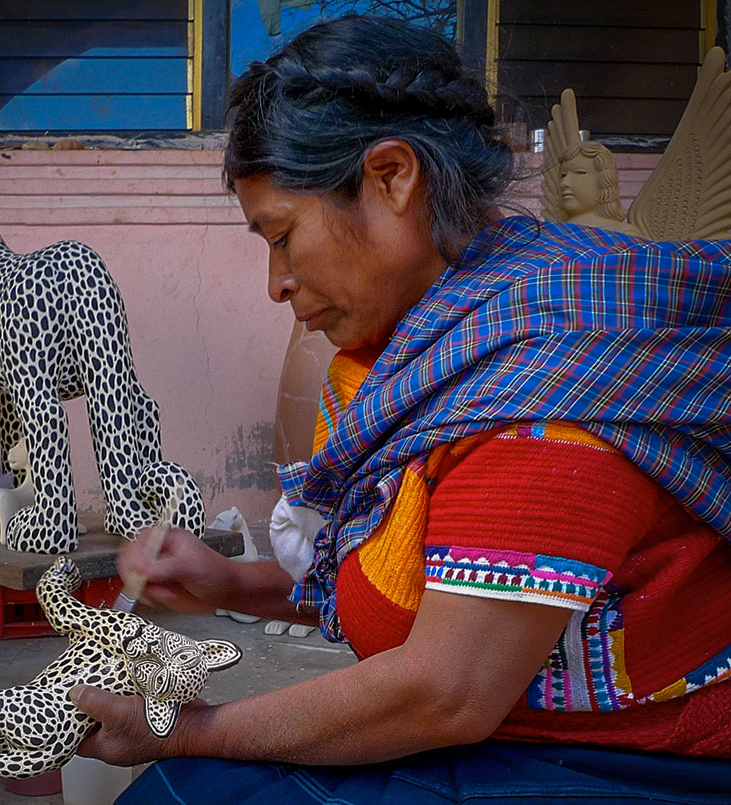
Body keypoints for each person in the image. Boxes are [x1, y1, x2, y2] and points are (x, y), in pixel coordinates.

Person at [67, 16, 731, 803]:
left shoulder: (544, 396)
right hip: (514, 734)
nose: (275, 283)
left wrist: (185, 726)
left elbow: (443, 690)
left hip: (643, 764)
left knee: (191, 789)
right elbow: (439, 587)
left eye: (282, 235)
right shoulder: (444, 348)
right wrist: (236, 585)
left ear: (391, 177)